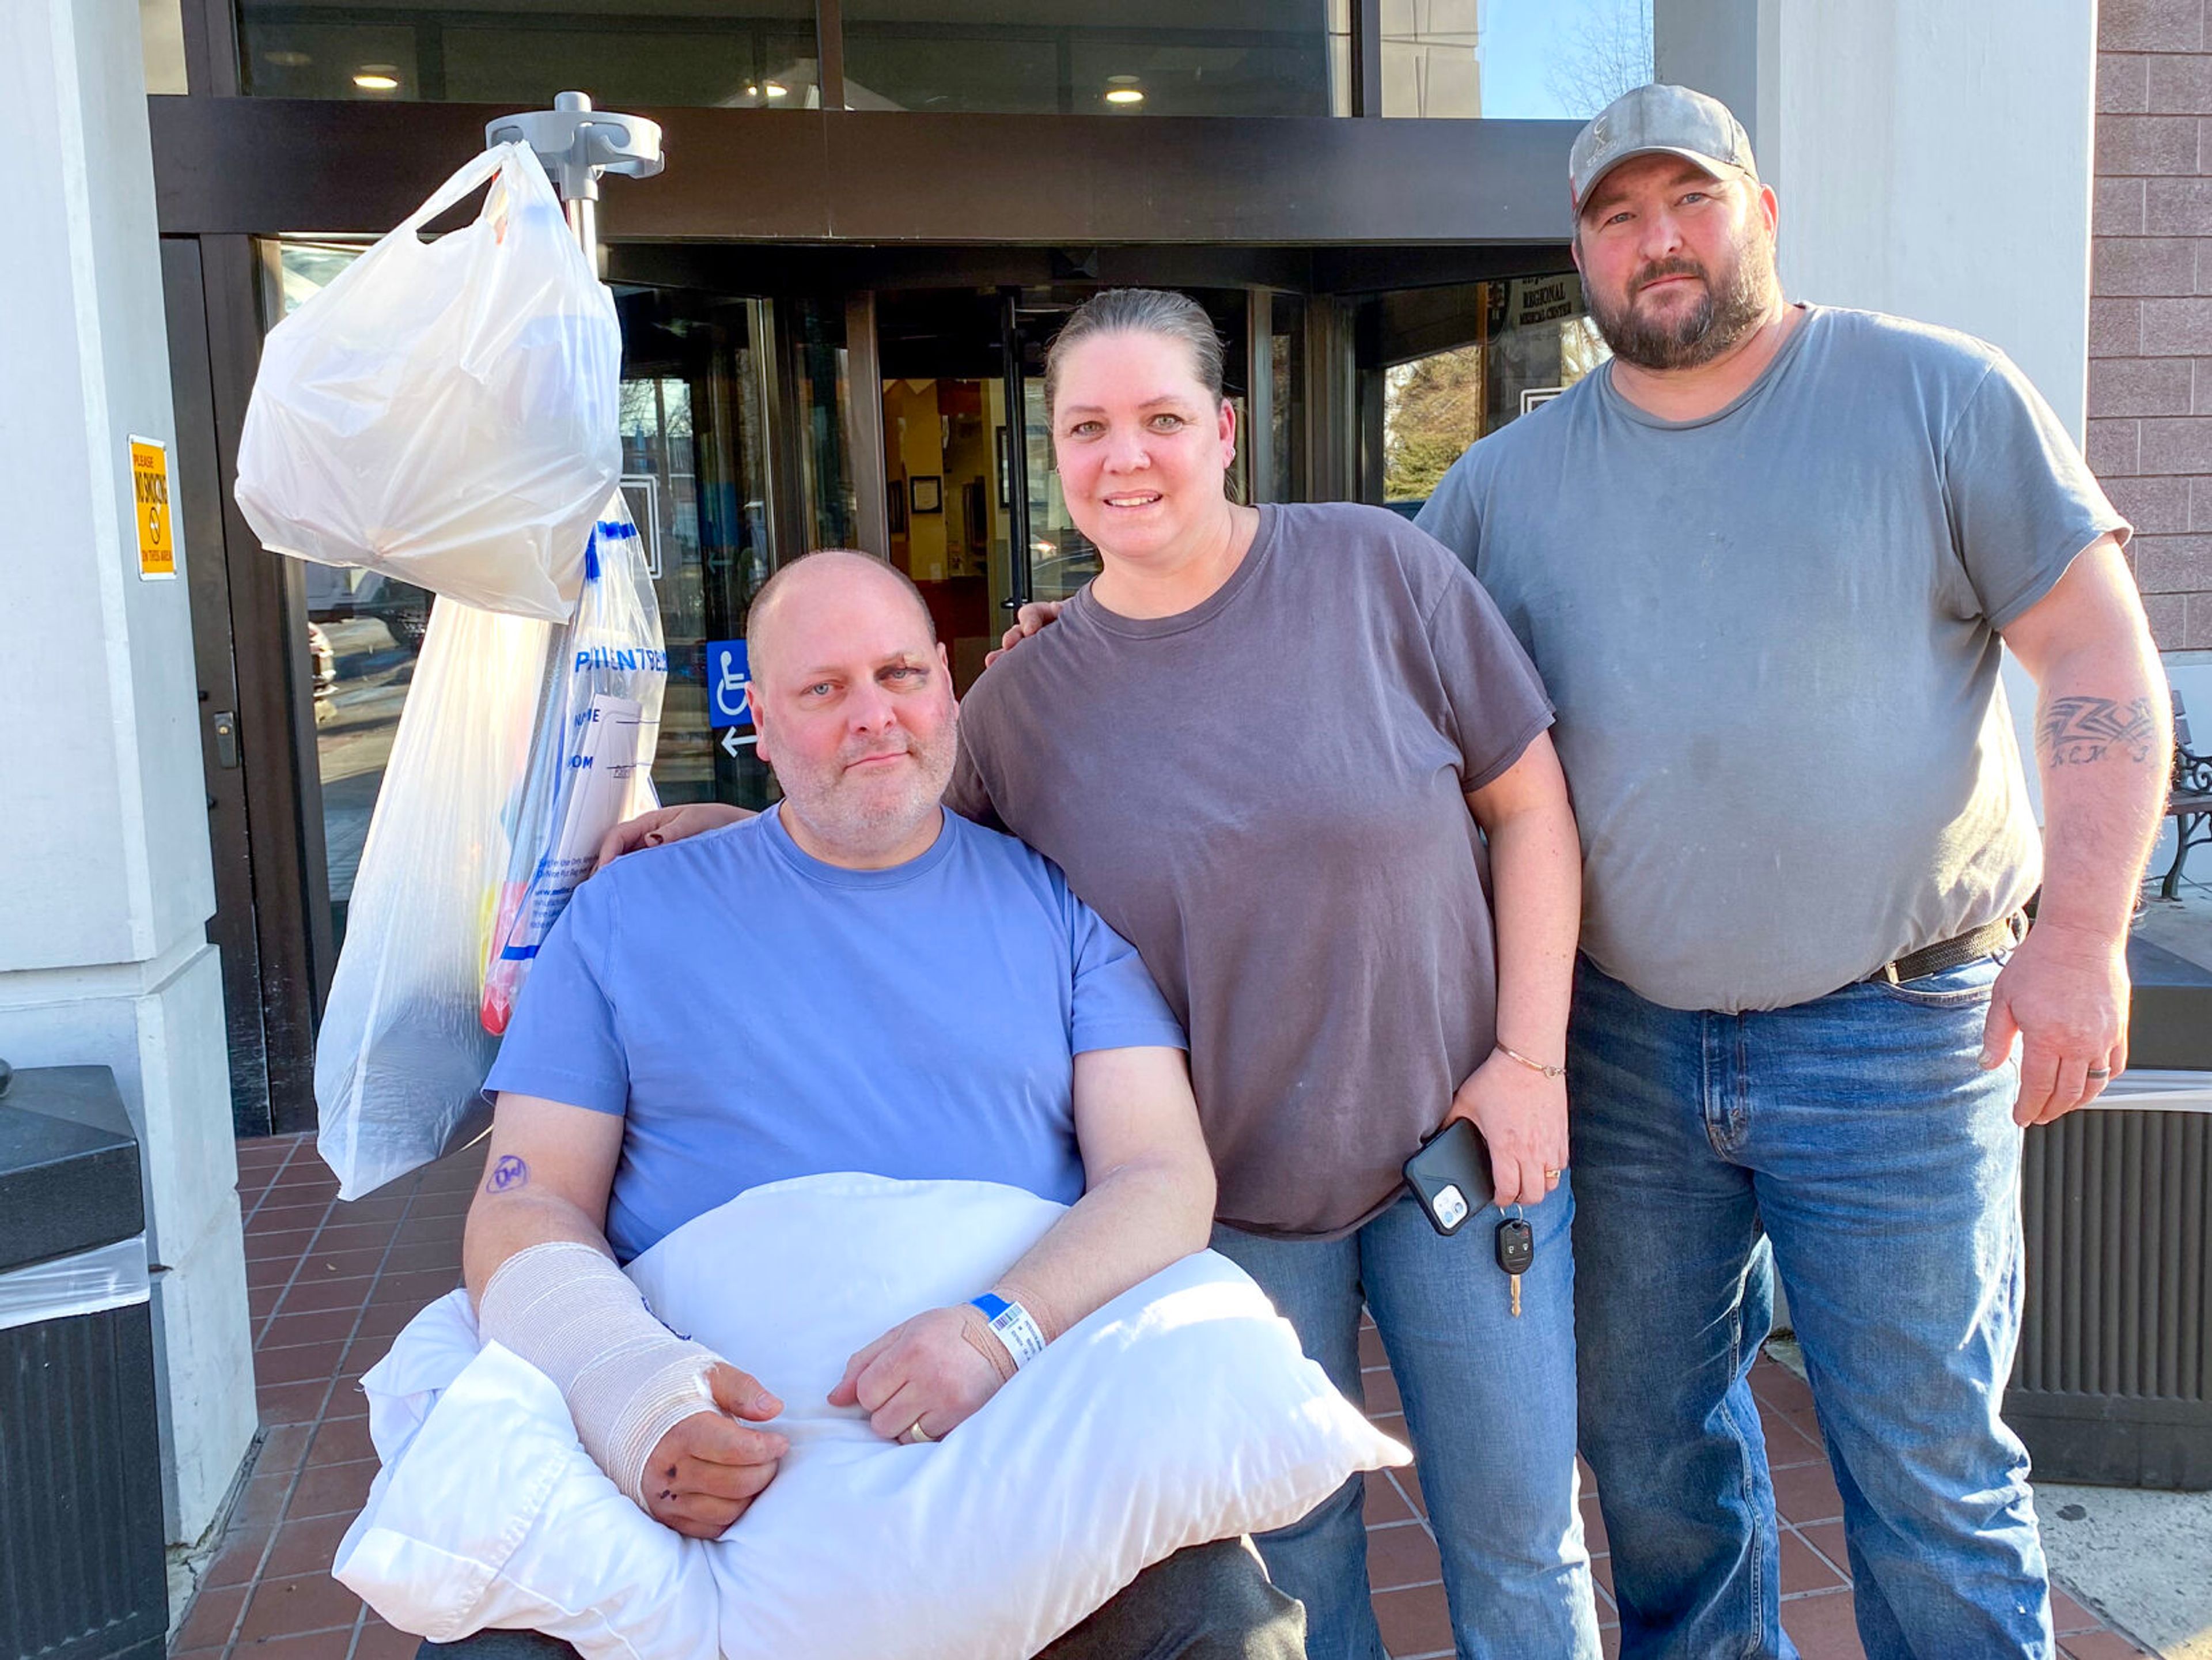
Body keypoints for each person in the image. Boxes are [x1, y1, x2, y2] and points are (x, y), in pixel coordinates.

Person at [609, 289, 1598, 1660]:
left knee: (1518, 1542)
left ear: (1227, 429)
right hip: (1226, 1211)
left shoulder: (1381, 570)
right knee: (1297, 1565)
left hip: (1462, 1159)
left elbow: (1533, 809)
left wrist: (1532, 1060)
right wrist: (741, 830)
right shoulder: (1021, 704)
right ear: (1054, 451)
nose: (1125, 457)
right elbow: (897, 836)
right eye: (1088, 427)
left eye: (1162, 419)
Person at [1412, 84, 2171, 1660]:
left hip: (1902, 1037)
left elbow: (2099, 651)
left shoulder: (1935, 396)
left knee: (1928, 1470)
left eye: (1688, 199)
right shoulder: (1502, 484)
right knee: (1650, 1458)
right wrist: (1115, 635)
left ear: (1761, 212)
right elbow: (1369, 676)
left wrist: (2086, 934)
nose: (1657, 241)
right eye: (1616, 216)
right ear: (1581, 255)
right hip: (1621, 1047)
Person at [428, 550, 1306, 1660]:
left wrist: (1002, 1331)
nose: (874, 716)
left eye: (899, 673)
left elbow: (1162, 1175)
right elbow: (523, 1204)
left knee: (1227, 1627)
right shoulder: (626, 918)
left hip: (1007, 1422)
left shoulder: (1059, 909)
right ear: (756, 711)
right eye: (824, 688)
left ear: (949, 682)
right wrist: (635, 1393)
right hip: (717, 1450)